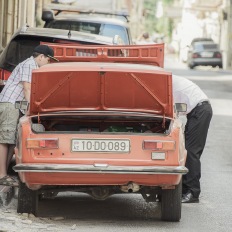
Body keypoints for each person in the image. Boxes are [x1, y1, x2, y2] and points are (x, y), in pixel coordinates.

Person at [0, 45, 58, 187]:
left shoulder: (33, 66)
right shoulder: (29, 64)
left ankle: (4, 173)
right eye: (48, 60)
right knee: (5, 139)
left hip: (14, 105)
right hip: (9, 104)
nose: (48, 63)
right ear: (41, 57)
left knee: (12, 141)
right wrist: (33, 108)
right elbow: (27, 89)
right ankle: (1, 175)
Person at [172, 75, 213, 203]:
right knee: (186, 150)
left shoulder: (166, 82)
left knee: (191, 152)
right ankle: (185, 189)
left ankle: (192, 192)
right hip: (197, 110)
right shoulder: (167, 79)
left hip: (200, 110)